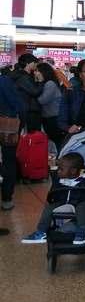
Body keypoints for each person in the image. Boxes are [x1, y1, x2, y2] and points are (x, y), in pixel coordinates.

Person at [21, 152, 85, 245]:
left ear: (73, 171)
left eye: (61, 169)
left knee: (83, 208)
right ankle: (41, 232)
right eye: (58, 168)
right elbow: (54, 190)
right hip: (63, 200)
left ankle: (82, 231)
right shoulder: (58, 178)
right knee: (48, 209)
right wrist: (50, 199)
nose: (58, 171)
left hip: (84, 200)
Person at [0, 70, 24, 213]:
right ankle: (7, 199)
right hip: (7, 126)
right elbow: (16, 102)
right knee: (9, 161)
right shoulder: (3, 81)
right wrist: (22, 121)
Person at [34, 62, 65, 150]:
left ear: (44, 72)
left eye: (37, 71)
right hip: (49, 118)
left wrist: (35, 89)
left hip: (54, 118)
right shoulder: (48, 83)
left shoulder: (50, 84)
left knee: (59, 141)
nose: (36, 74)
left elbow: (42, 100)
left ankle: (62, 160)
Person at [9, 53, 43, 132]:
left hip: (25, 110)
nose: (35, 64)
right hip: (28, 111)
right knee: (31, 136)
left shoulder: (22, 75)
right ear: (27, 64)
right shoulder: (23, 77)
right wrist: (40, 81)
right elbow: (35, 92)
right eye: (34, 62)